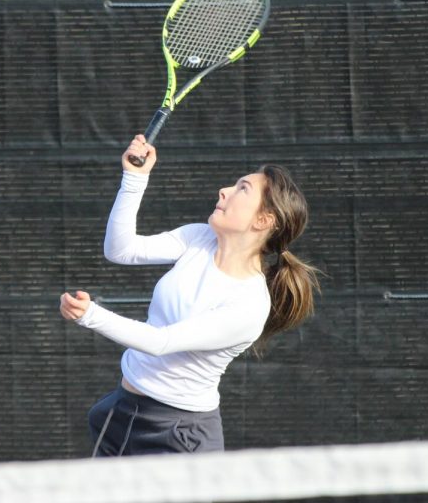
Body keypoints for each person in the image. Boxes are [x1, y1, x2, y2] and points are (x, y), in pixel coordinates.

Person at [59, 134, 320, 457]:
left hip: (178, 436)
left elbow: (161, 343)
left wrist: (91, 315)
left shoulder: (250, 305)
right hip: (122, 412)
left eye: (242, 189)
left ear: (264, 220)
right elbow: (121, 250)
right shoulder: (199, 237)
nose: (224, 191)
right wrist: (134, 178)